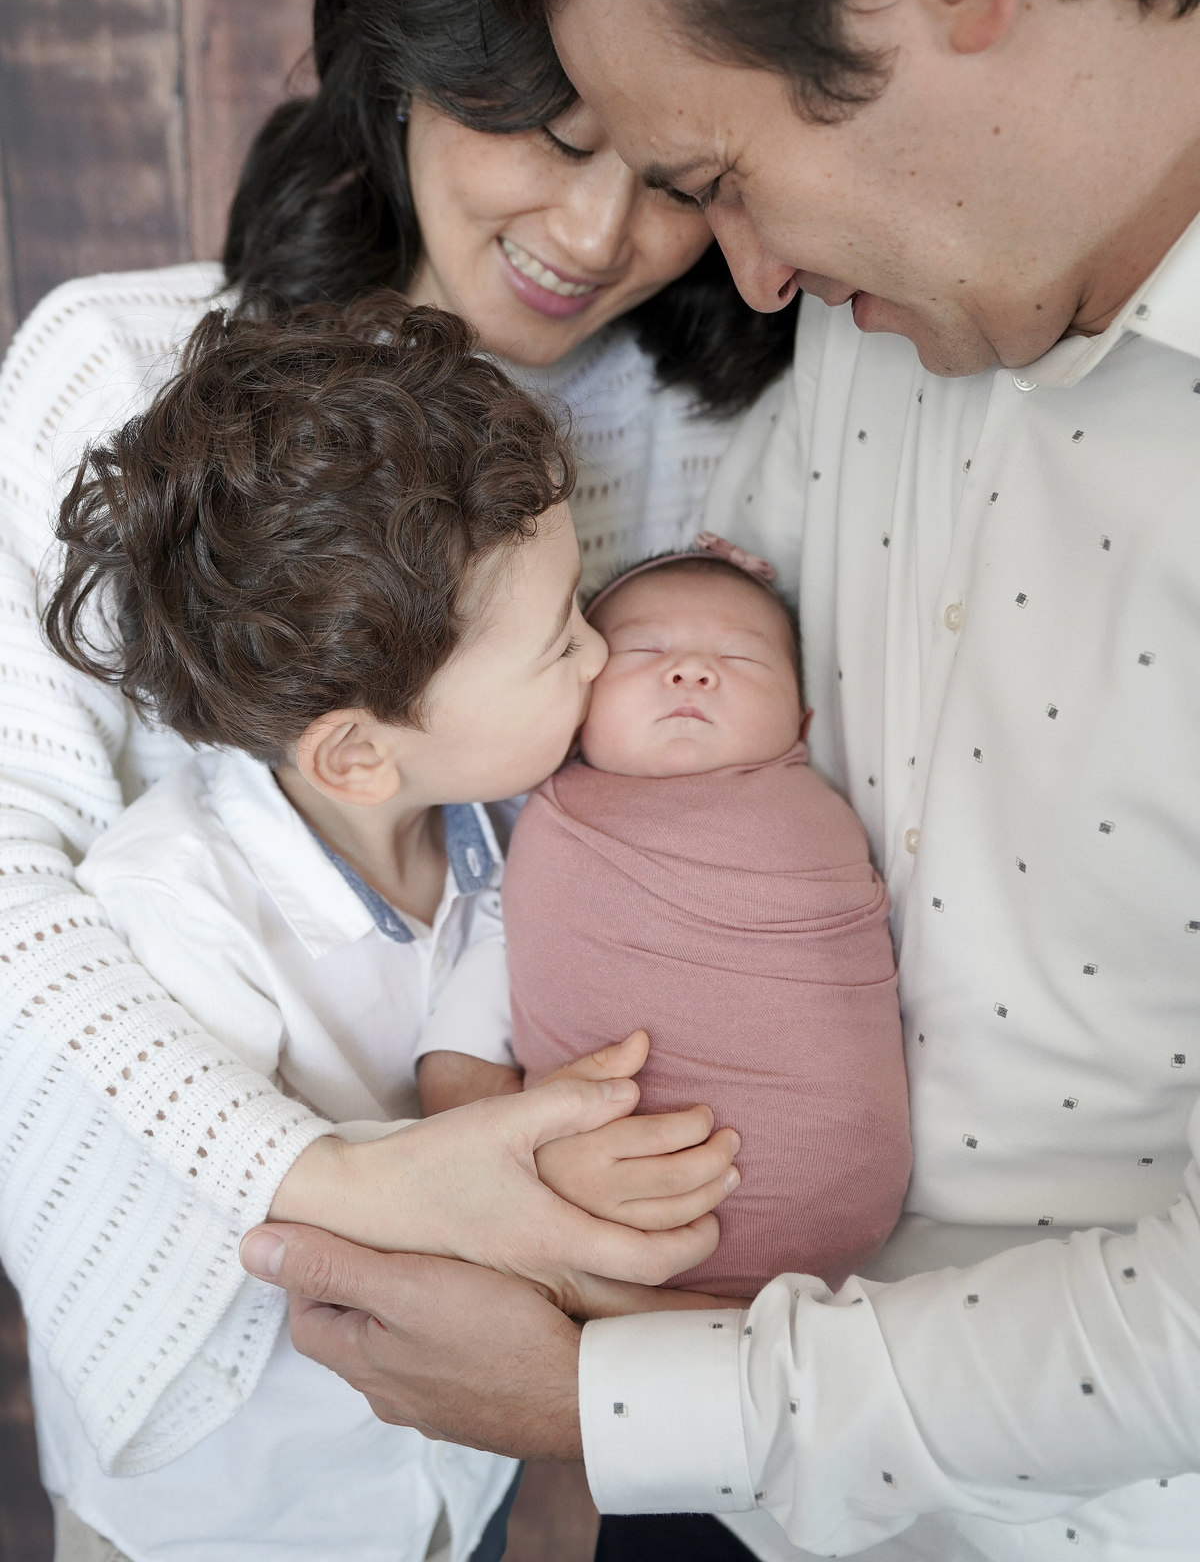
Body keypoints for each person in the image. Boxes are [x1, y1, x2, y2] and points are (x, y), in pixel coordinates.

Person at [238, 0, 1200, 1559]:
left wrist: (605, 1402)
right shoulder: (864, 315)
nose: (743, 276)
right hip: (719, 1484)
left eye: (714, 170)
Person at [0, 0, 788, 1560]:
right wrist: (344, 1180)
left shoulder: (700, 433)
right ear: (413, 66)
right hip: (213, 1376)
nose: (596, 231)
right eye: (549, 133)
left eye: (673, 172)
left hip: (538, 1385)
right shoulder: (116, 370)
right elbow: (10, 883)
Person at [34, 295, 734, 1562]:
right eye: (557, 642)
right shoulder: (175, 907)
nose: (597, 655)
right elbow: (208, 1217)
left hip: (425, 1492)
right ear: (358, 755)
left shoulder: (509, 830)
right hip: (224, 1522)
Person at [506, 541, 910, 1298]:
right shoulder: (547, 804)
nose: (691, 671)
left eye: (742, 659)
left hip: (824, 1185)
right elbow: (497, 953)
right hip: (587, 1187)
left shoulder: (811, 820)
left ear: (802, 720)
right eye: (646, 650)